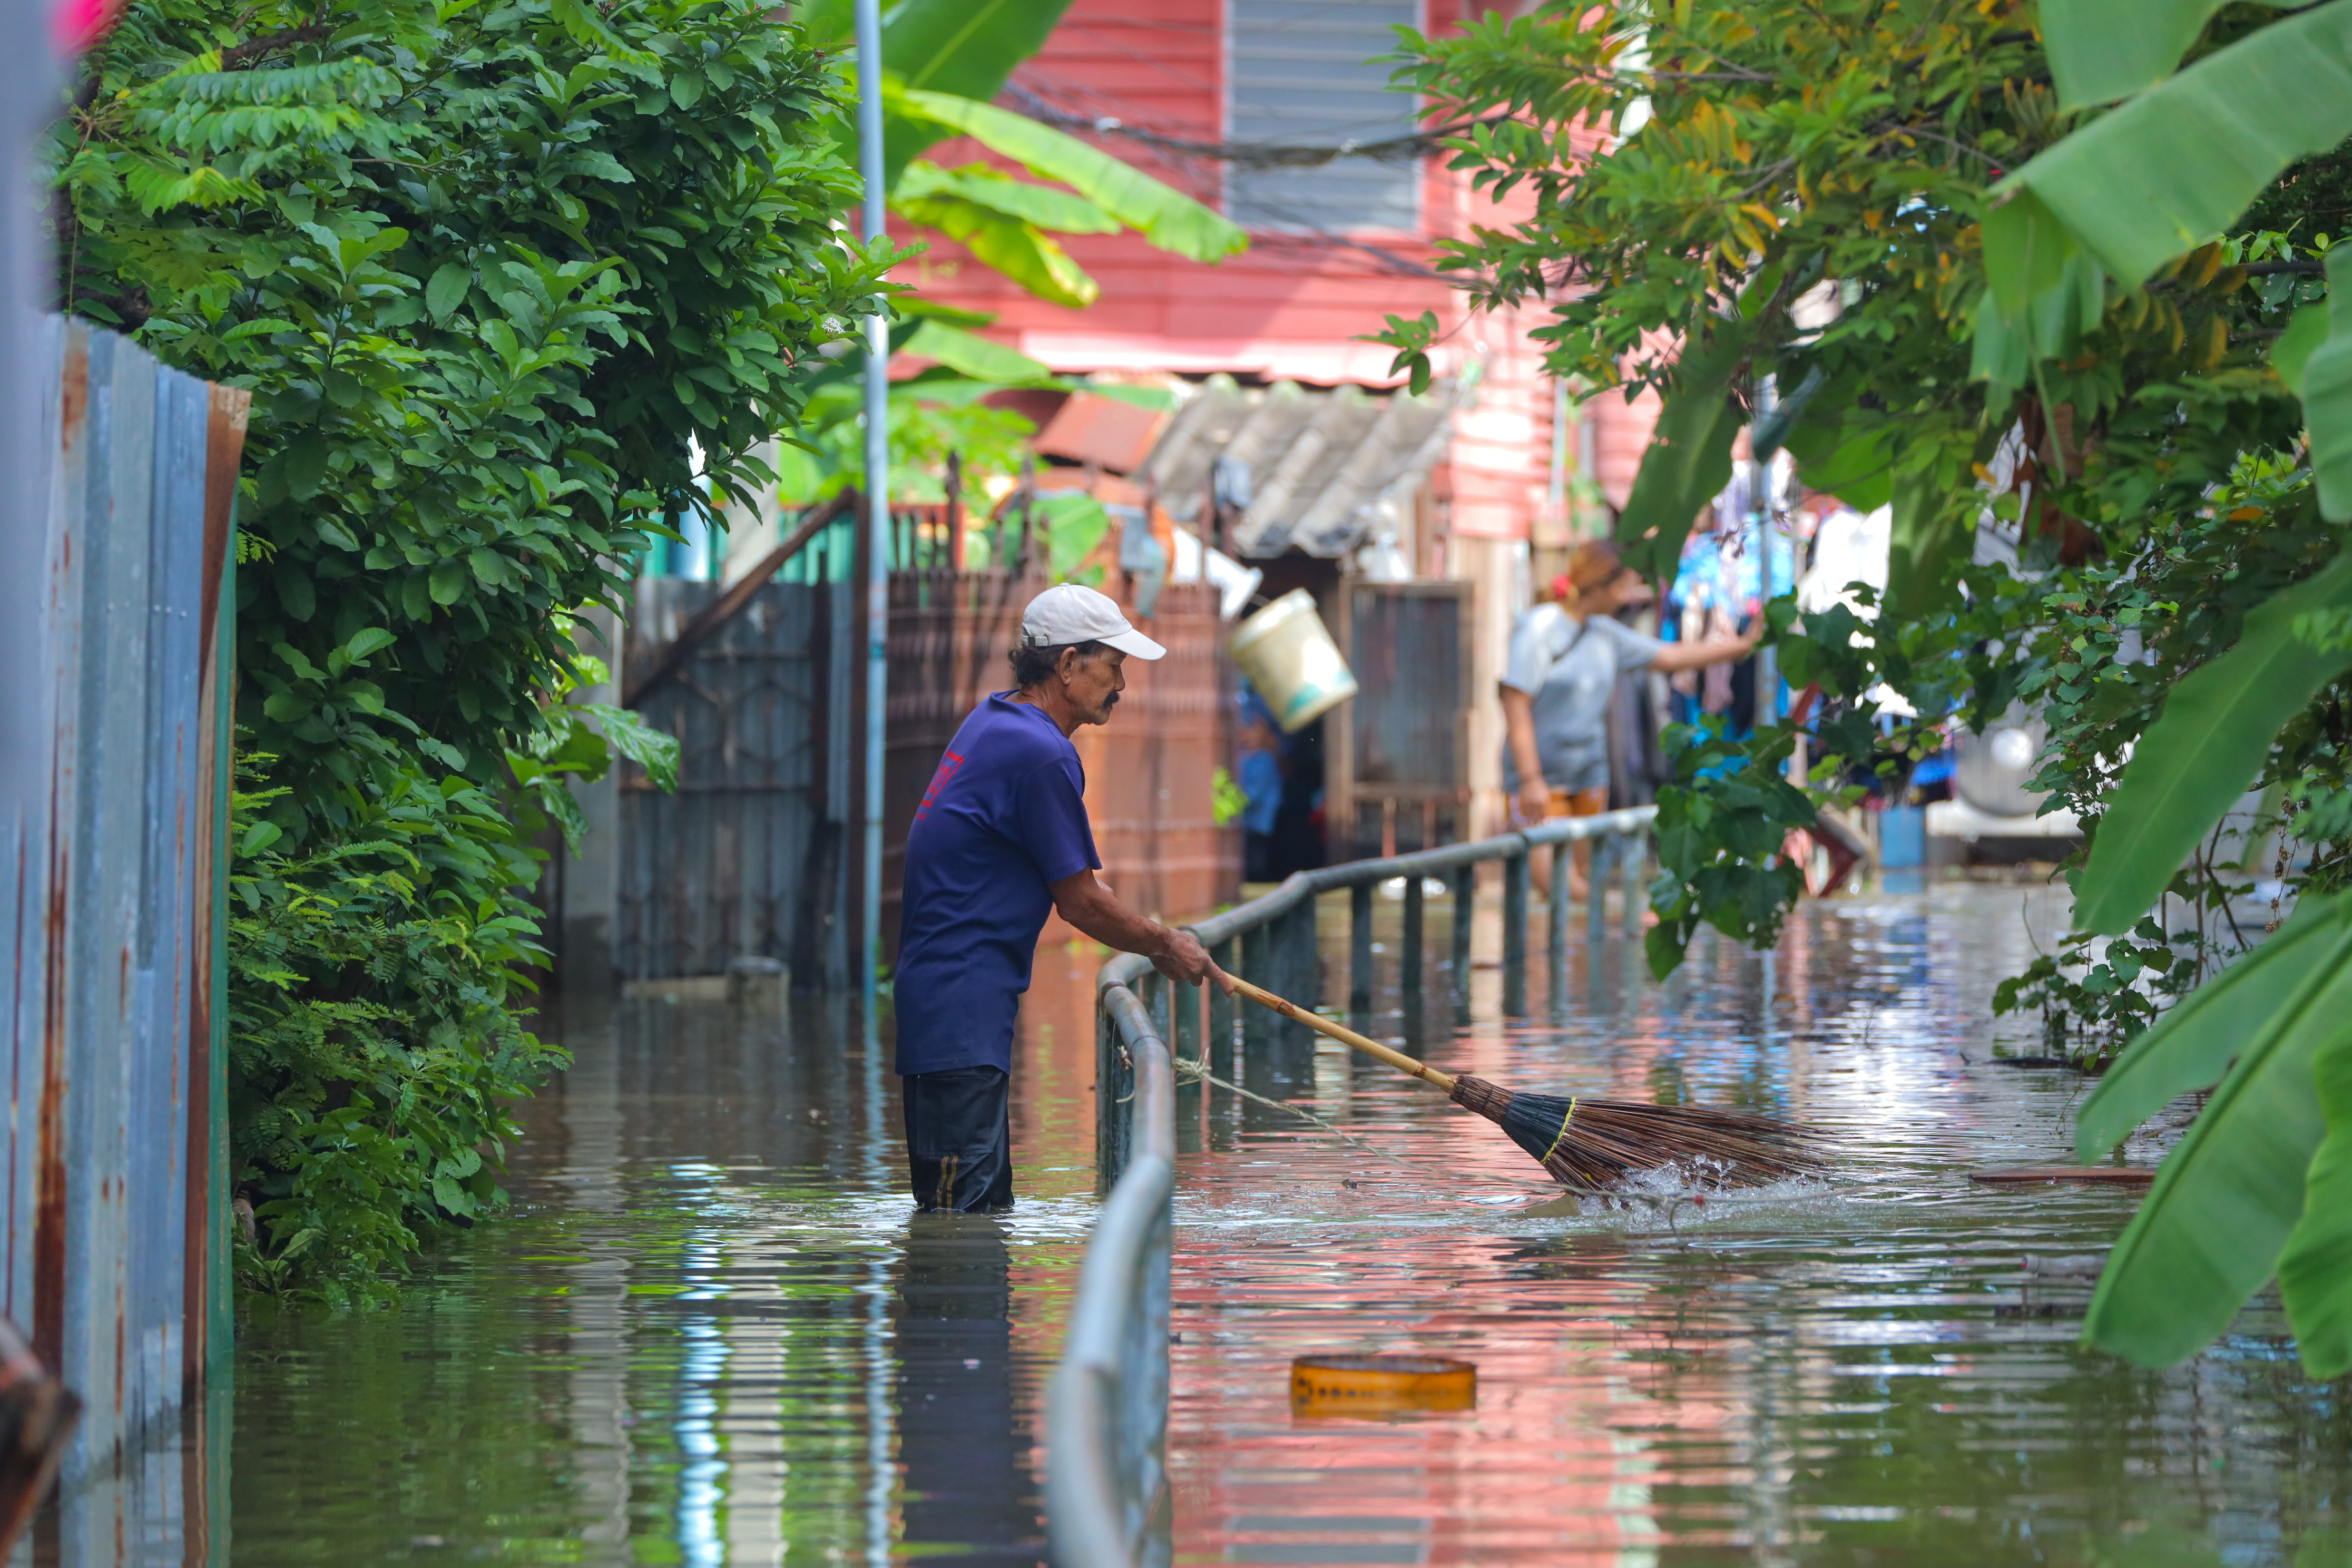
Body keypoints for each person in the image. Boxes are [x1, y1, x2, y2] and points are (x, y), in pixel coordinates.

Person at [895, 582, 1229, 1212]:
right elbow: (1078, 902)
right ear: (1069, 663)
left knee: (975, 1210)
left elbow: (1074, 882)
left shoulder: (996, 719)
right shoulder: (1040, 752)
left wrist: (1152, 931)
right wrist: (1164, 946)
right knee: (960, 1223)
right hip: (958, 1011)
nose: (1122, 685)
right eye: (1115, 665)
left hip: (953, 1006)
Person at [1502, 539, 1757, 895]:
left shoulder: (1604, 634)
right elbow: (1515, 704)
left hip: (1589, 773)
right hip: (1539, 777)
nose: (1626, 596)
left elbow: (1670, 657)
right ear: (1603, 584)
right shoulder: (1539, 627)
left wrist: (1743, 646)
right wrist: (1530, 779)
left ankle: (1583, 948)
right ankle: (1607, 934)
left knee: (1579, 881)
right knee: (1557, 885)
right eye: (1623, 586)